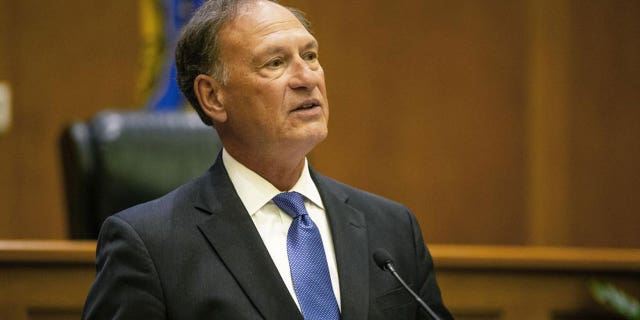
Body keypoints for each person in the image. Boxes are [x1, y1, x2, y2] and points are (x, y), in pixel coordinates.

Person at [82, 0, 452, 319]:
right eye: (275, 63)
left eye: (310, 56)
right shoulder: (149, 246)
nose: (307, 78)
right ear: (212, 96)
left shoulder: (393, 229)